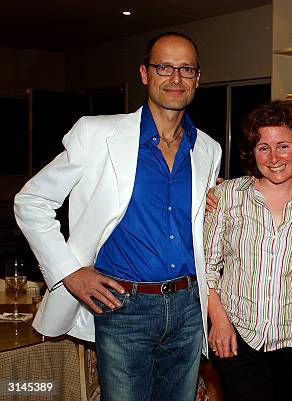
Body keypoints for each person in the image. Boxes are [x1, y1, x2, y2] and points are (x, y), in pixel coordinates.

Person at [14, 32, 222, 401]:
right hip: (124, 307)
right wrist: (69, 273)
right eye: (164, 67)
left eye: (186, 69)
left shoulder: (207, 148)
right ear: (145, 73)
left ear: (198, 78)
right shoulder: (96, 133)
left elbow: (196, 224)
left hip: (189, 307)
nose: (175, 78)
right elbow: (31, 202)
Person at [204, 101, 292, 401]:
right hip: (237, 335)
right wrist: (218, 321)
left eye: (283, 145)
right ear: (252, 152)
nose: (274, 157)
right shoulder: (227, 196)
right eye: (263, 147)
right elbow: (206, 267)